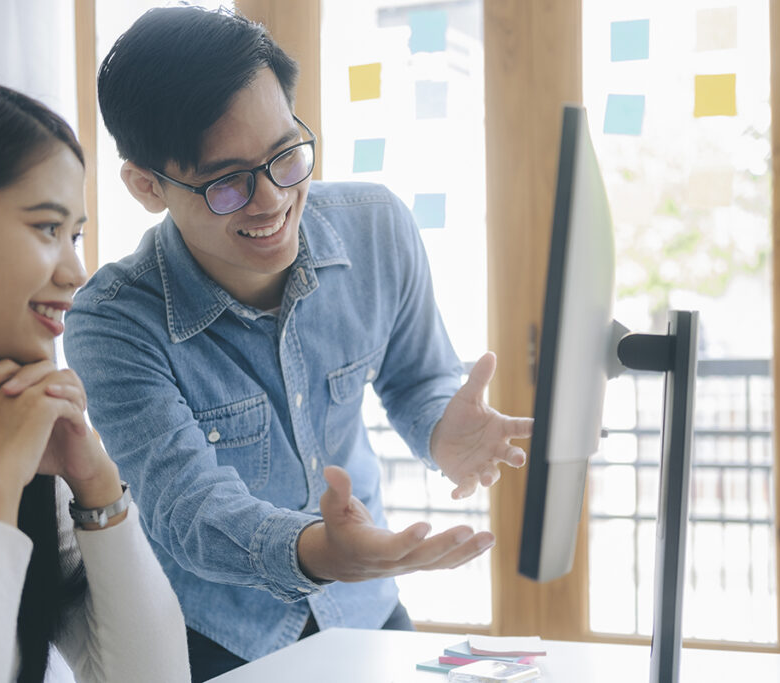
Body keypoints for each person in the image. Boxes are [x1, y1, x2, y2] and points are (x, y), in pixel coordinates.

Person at [63, 6, 533, 680]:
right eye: (227, 183)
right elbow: (187, 508)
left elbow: (416, 377)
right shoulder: (112, 321)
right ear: (146, 185)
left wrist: (439, 427)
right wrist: (318, 551)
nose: (273, 198)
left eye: (286, 153)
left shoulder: (378, 228)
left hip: (363, 598)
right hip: (215, 628)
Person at [0, 73, 191, 682]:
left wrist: (95, 482)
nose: (77, 272)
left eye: (75, 234)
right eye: (47, 228)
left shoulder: (17, 441)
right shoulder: (3, 462)